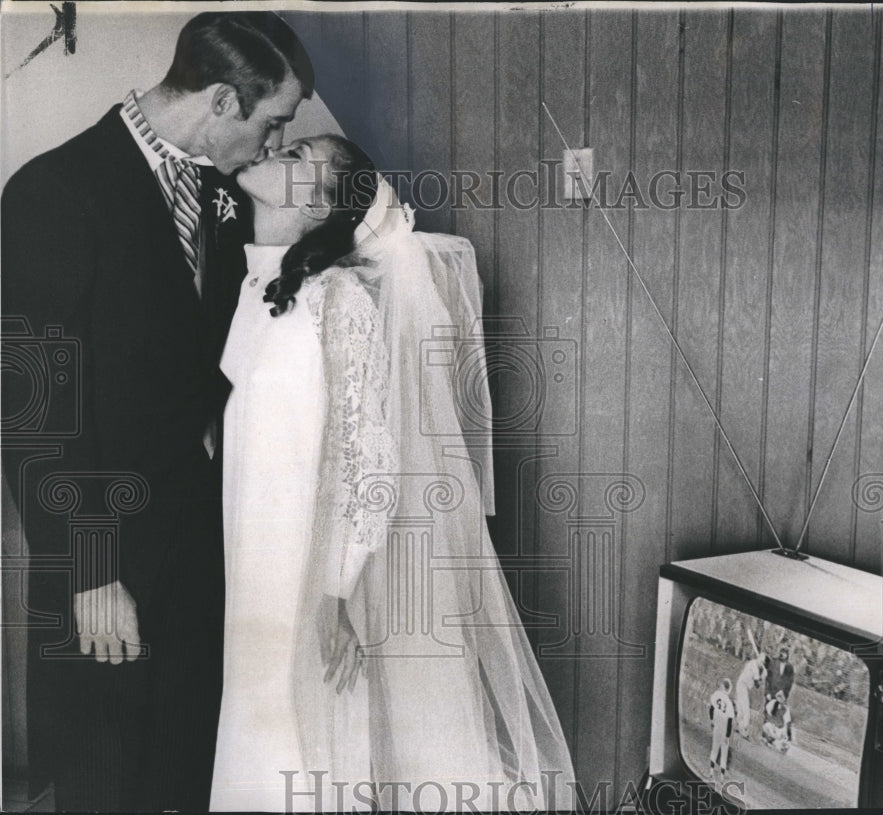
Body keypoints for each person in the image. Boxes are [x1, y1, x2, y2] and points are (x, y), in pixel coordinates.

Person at [209, 134, 576, 812]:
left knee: (307, 744)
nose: (275, 151)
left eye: (297, 158)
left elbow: (368, 455)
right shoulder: (253, 285)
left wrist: (340, 590)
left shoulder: (338, 301)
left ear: (320, 205)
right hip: (251, 558)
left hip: (308, 572)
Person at [0, 12, 312, 810]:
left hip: (200, 552)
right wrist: (90, 570)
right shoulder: (53, 190)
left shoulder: (229, 193)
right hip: (103, 561)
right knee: (106, 787)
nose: (275, 146)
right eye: (272, 123)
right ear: (220, 102)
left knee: (185, 776)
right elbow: (33, 411)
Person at [708, 678, 736, 785]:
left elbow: (711, 708)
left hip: (717, 725)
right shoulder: (729, 703)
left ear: (723, 687)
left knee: (714, 749)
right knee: (724, 752)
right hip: (724, 727)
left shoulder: (716, 695)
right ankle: (722, 777)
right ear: (728, 689)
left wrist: (711, 720)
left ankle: (711, 772)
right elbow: (730, 721)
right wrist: (727, 735)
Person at [735, 653, 767, 738]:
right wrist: (761, 677)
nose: (761, 663)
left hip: (744, 686)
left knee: (740, 708)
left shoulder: (758, 666)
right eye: (761, 661)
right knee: (745, 709)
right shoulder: (754, 665)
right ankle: (743, 728)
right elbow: (757, 684)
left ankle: (738, 726)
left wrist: (763, 674)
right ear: (758, 658)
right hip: (742, 685)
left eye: (763, 662)